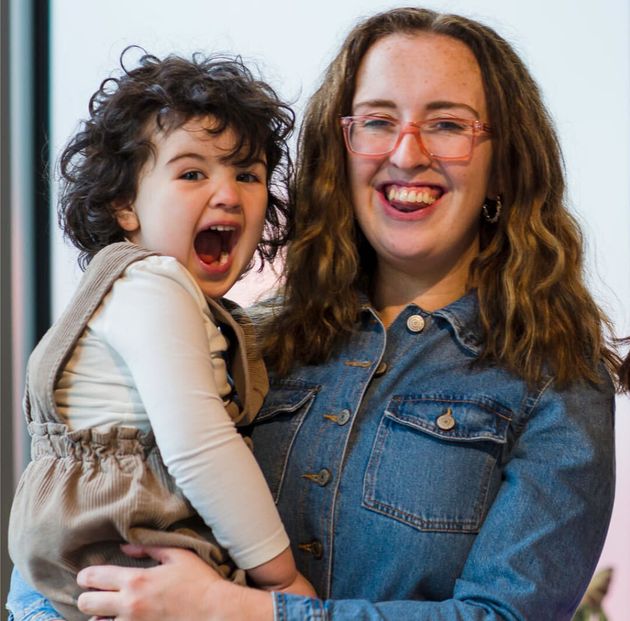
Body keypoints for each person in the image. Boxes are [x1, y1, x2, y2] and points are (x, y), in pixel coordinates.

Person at [8, 7, 630, 621]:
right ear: (342, 152)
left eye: (447, 125)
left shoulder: (556, 382)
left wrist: (243, 611)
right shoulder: (255, 344)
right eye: (379, 121)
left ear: (505, 167)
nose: (407, 153)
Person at [6, 49, 315, 621]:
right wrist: (282, 577)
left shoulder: (150, 293)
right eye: (192, 172)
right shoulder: (154, 282)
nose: (227, 193)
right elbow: (200, 447)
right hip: (119, 569)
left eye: (247, 174)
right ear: (126, 205)